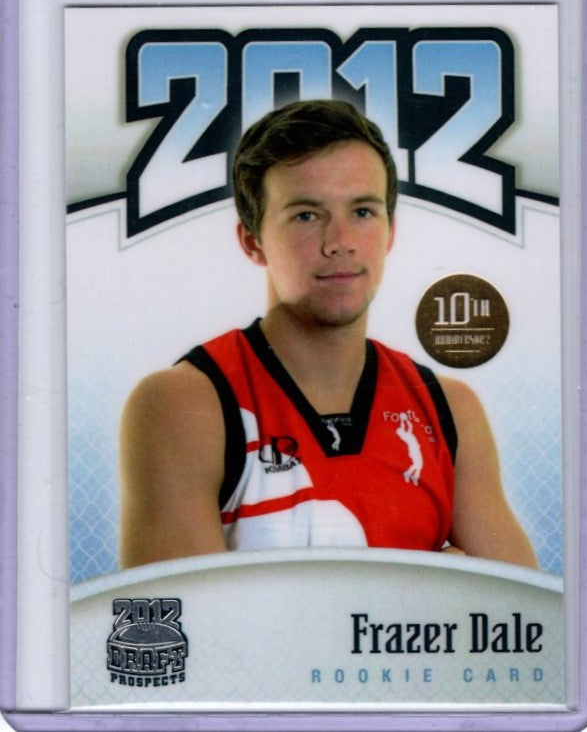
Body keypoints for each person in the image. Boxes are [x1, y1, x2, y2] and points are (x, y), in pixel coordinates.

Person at [119, 99, 537, 570]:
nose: (340, 241)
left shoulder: (449, 410)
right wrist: (439, 589)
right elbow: (181, 616)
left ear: (390, 233)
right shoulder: (186, 404)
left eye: (363, 211)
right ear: (253, 241)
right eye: (306, 215)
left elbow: (524, 613)